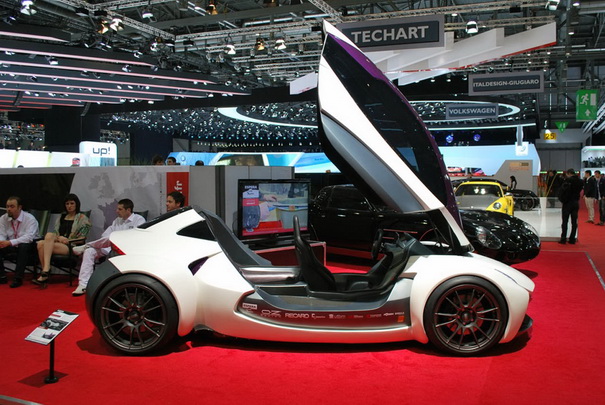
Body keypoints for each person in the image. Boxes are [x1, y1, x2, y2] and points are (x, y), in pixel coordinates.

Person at [70, 199, 146, 296]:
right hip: (111, 246)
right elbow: (105, 236)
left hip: (127, 248)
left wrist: (117, 238)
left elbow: (137, 237)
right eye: (117, 209)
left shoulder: (139, 219)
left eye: (120, 209)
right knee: (90, 251)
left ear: (128, 210)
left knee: (113, 237)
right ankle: (83, 285)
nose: (117, 211)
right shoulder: (117, 221)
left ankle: (86, 245)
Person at [33, 194, 91, 286]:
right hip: (58, 243)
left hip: (71, 246)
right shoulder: (61, 217)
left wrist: (67, 240)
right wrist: (59, 238)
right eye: (67, 204)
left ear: (76, 204)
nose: (69, 206)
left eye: (72, 203)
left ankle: (45, 271)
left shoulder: (82, 218)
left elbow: (83, 238)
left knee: (43, 243)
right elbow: (55, 233)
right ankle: (46, 270)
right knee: (41, 242)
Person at [0, 196, 39, 288]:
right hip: (11, 245)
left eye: (12, 206)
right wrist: (1, 242)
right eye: (7, 206)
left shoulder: (30, 219)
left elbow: (29, 237)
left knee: (23, 246)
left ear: (20, 207)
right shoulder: (3, 218)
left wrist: (10, 242)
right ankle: (2, 276)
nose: (9, 209)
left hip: (29, 246)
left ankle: (18, 278)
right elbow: (1, 234)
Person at [558, 168, 584, 244]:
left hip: (567, 203)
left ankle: (563, 238)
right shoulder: (580, 181)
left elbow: (563, 191)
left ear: (569, 173)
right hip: (575, 202)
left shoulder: (568, 180)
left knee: (565, 221)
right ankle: (572, 239)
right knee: (574, 222)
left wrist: (562, 199)